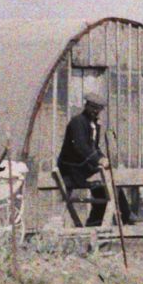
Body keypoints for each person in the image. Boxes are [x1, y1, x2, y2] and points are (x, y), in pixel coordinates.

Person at [57, 89, 111, 226]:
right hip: (72, 169)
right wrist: (98, 160)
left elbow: (94, 147)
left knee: (109, 186)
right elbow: (81, 147)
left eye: (98, 109)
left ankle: (95, 222)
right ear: (86, 106)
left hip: (83, 168)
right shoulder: (78, 122)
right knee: (107, 185)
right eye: (92, 107)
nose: (95, 111)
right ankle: (126, 215)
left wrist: (103, 158)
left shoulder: (94, 125)